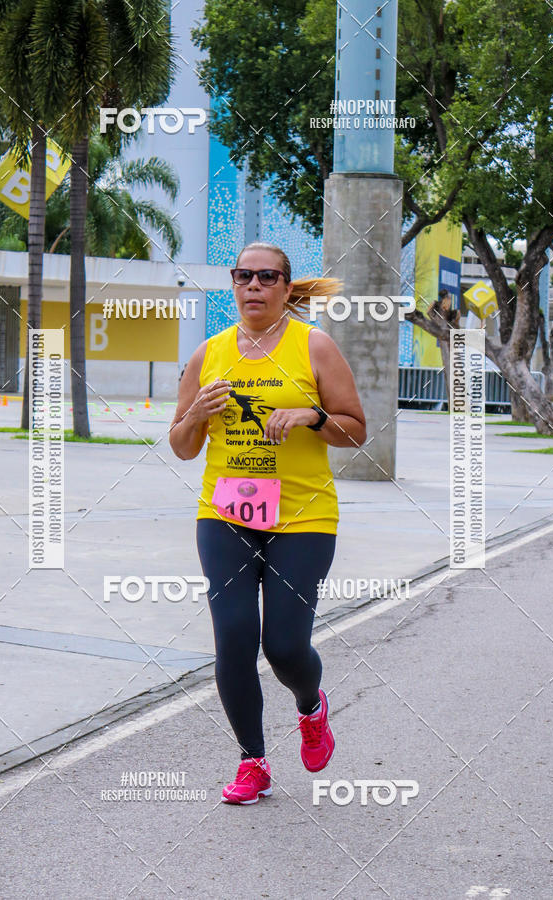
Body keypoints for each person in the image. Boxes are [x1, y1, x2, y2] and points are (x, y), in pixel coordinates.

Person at [169, 242, 366, 805]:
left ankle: (311, 707)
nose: (253, 285)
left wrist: (313, 415)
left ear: (284, 287)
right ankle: (252, 761)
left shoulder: (315, 347)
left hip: (302, 516)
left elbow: (356, 429)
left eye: (266, 277)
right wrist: (198, 416)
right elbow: (181, 447)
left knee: (282, 646)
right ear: (233, 285)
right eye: (242, 276)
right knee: (233, 639)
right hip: (225, 514)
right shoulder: (210, 354)